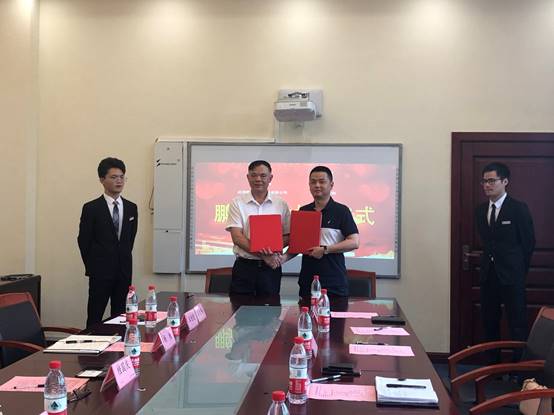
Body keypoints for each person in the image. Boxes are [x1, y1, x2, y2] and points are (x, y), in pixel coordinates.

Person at [475, 162, 535, 362]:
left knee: (517, 323)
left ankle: (519, 370)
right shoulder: (480, 210)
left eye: (492, 181)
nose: (487, 185)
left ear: (505, 181)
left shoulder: (518, 208)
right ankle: (492, 368)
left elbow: (528, 243)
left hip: (512, 276)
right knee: (489, 322)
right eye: (484, 181)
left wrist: (519, 270)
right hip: (488, 275)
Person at [281, 166, 359, 298]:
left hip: (334, 282)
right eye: (313, 182)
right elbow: (298, 245)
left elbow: (354, 242)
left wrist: (325, 250)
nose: (317, 185)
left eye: (322, 182)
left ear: (331, 185)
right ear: (309, 185)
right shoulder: (304, 211)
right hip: (307, 281)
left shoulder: (341, 211)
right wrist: (282, 259)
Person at [78, 157, 138, 327]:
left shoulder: (131, 208)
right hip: (100, 272)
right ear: (102, 179)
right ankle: (90, 343)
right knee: (95, 316)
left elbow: (130, 239)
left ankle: (118, 343)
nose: (119, 181)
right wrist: (93, 266)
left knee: (120, 317)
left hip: (123, 272)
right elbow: (84, 241)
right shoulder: (91, 208)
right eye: (113, 177)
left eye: (122, 177)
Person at [225, 160, 290, 296]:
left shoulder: (281, 204)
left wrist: (271, 252)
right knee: (239, 305)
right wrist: (263, 255)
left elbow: (287, 235)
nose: (258, 179)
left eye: (263, 175)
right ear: (248, 177)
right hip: (245, 267)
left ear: (270, 178)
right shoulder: (237, 203)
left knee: (270, 306)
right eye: (254, 175)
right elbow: (237, 237)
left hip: (270, 268)